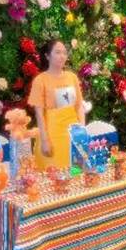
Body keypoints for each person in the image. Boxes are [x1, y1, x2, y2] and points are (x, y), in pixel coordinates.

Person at [28, 39, 85, 170]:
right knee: (55, 176)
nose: (62, 56)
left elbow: (79, 106)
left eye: (64, 53)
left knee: (76, 172)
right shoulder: (40, 80)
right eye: (58, 52)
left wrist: (82, 132)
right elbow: (39, 114)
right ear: (47, 56)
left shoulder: (72, 77)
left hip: (74, 135)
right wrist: (44, 140)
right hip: (52, 136)